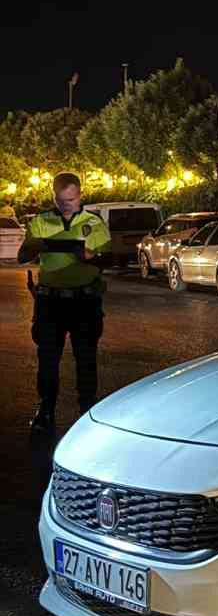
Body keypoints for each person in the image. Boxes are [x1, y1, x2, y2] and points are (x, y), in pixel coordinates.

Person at [18, 172, 111, 434]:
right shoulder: (40, 222)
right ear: (53, 197)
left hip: (84, 301)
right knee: (47, 358)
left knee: (86, 358)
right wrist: (36, 246)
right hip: (51, 302)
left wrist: (90, 256)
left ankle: (87, 412)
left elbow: (109, 261)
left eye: (70, 199)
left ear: (80, 195)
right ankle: (46, 410)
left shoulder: (93, 223)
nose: (66, 205)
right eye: (60, 200)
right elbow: (22, 256)